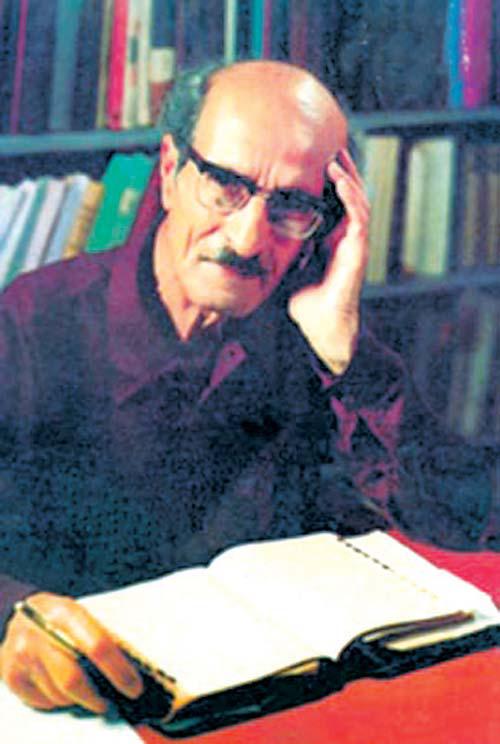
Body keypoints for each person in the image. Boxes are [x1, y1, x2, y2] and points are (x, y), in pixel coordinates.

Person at [0, 60, 496, 716]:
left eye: (291, 206)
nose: (248, 238)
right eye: (226, 186)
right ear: (171, 170)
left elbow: (465, 523)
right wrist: (11, 621)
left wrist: (347, 354)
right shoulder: (31, 320)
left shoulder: (312, 329)